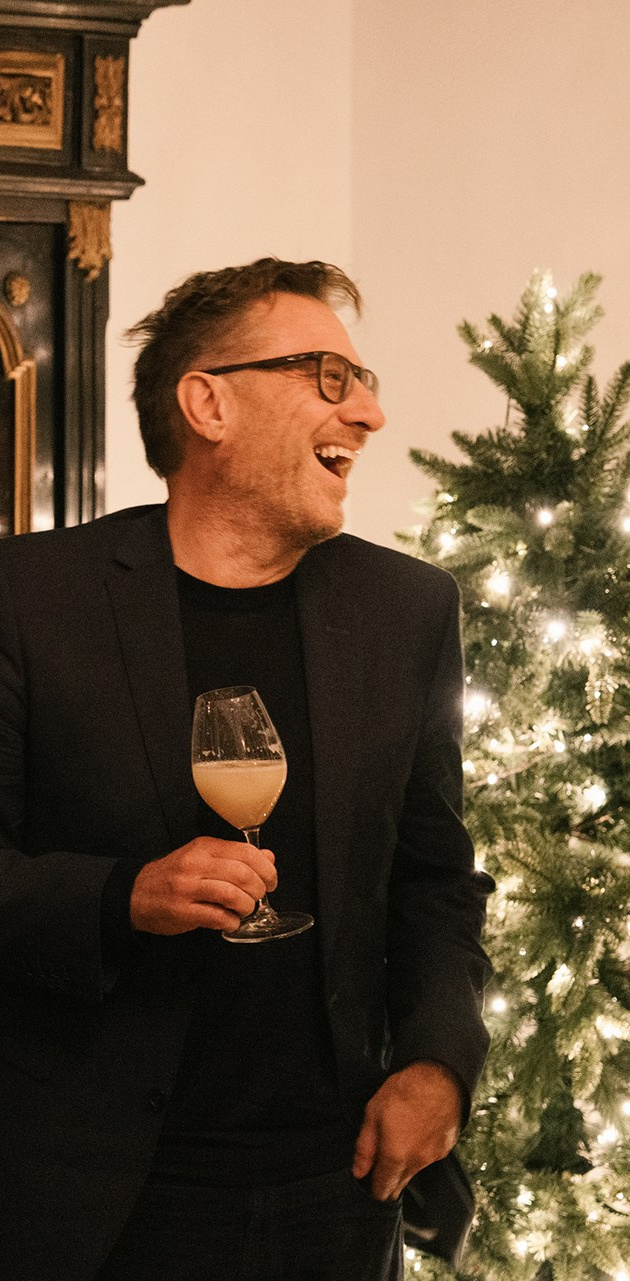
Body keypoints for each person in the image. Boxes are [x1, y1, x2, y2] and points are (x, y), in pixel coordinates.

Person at [0, 258, 493, 1281]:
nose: (368, 414)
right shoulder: (30, 602)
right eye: (327, 376)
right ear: (207, 401)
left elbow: (435, 880)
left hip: (337, 1189)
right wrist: (120, 896)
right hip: (96, 1194)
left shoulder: (406, 611)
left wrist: (438, 1063)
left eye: (360, 381)